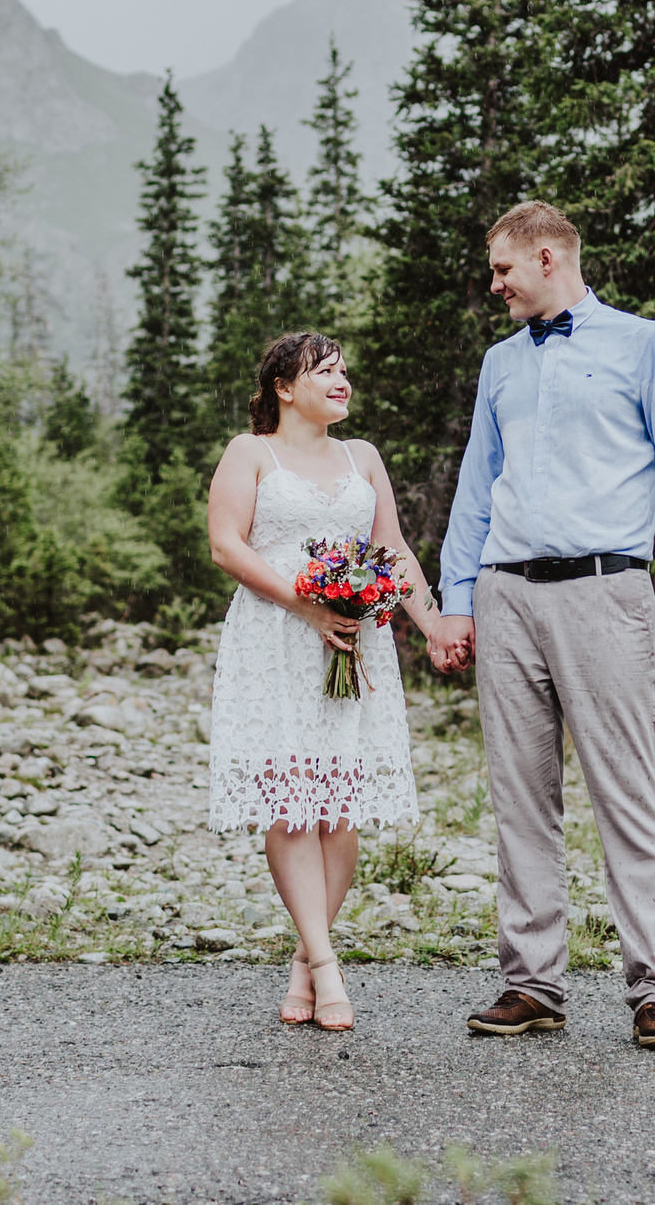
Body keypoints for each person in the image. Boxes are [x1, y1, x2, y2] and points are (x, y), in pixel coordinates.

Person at [430, 200, 655, 1052]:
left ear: (548, 255)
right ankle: (532, 983)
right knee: (521, 796)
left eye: (502, 270)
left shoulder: (644, 343)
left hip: (607, 591)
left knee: (627, 791)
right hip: (507, 591)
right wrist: (458, 600)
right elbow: (475, 486)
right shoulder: (499, 363)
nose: (494, 286)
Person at [203, 330, 448, 1031]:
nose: (342, 379)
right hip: (275, 641)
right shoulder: (251, 452)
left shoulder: (361, 457)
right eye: (326, 370)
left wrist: (430, 625)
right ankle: (328, 966)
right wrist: (304, 603)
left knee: (339, 809)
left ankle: (304, 958)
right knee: (291, 804)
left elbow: (391, 549)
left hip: (353, 642)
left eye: (345, 370)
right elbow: (227, 543)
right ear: (285, 386)